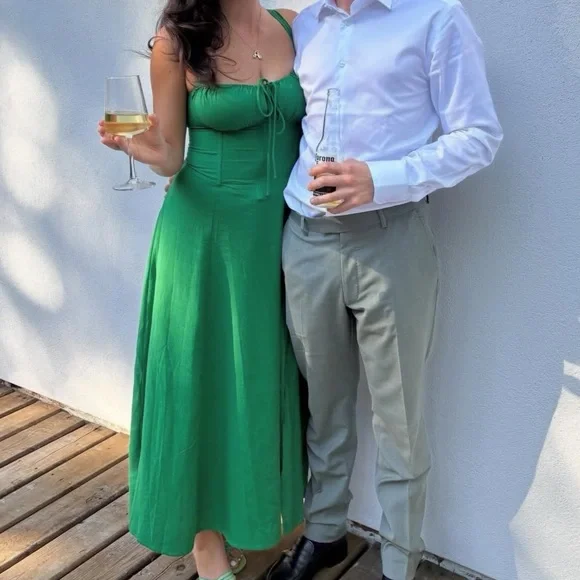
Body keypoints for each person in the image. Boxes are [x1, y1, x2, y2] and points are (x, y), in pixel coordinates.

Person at [268, 1, 503, 580]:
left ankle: (399, 561)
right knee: (323, 407)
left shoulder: (437, 17)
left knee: (398, 418)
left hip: (391, 242)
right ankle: (325, 532)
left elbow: (480, 135)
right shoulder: (306, 24)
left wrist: (382, 177)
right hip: (305, 239)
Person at [97, 1, 306, 579]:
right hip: (203, 240)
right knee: (200, 382)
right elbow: (169, 155)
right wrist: (131, 143)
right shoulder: (177, 42)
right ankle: (206, 545)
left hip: (275, 238)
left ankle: (251, 516)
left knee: (255, 381)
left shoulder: (293, 23)